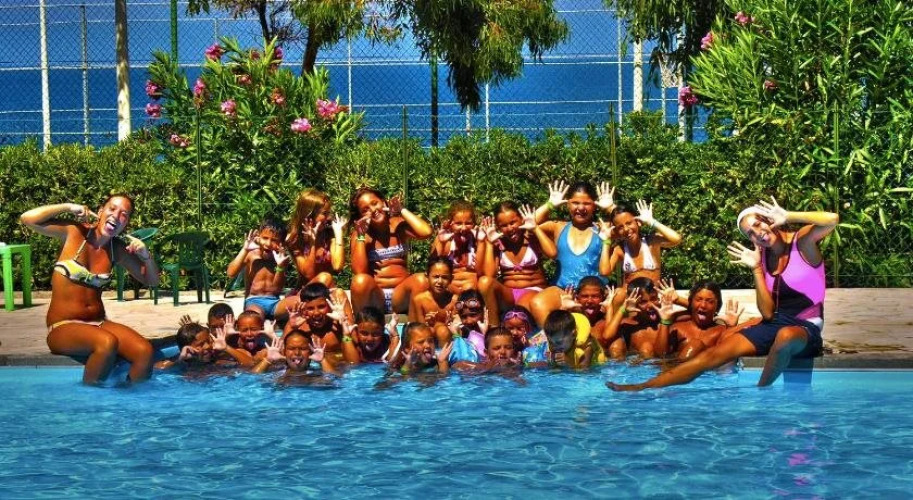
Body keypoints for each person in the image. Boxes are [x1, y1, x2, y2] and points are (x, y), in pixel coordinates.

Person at [608, 197, 836, 391]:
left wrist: (789, 215)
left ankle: (762, 393)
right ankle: (642, 387)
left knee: (785, 336)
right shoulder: (763, 257)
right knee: (712, 354)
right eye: (751, 233)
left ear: (769, 219)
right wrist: (756, 269)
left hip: (807, 326)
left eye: (758, 224)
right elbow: (768, 314)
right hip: (776, 322)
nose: (758, 233)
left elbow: (832, 219)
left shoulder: (801, 242)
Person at [21, 195, 159, 384]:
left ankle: (130, 399)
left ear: (125, 223)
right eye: (112, 209)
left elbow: (152, 280)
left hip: (98, 323)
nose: (116, 216)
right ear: (100, 211)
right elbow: (28, 219)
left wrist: (146, 255)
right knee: (107, 343)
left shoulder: (116, 249)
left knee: (144, 351)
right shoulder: (74, 232)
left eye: (123, 214)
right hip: (62, 326)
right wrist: (68, 206)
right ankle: (91, 400)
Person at [529, 181, 615, 326]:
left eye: (587, 203)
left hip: (595, 293)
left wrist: (611, 208)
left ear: (595, 205)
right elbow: (528, 222)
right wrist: (550, 204)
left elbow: (629, 224)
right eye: (575, 203)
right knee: (537, 303)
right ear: (567, 204)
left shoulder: (604, 228)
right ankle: (552, 338)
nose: (580, 208)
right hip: (563, 291)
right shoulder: (558, 227)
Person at [349, 187, 433, 314]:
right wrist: (361, 236)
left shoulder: (398, 224)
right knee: (359, 281)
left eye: (374, 203)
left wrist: (402, 210)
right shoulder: (360, 234)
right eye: (365, 210)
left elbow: (426, 232)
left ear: (383, 202)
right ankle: (364, 322)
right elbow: (359, 272)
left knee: (421, 279)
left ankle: (415, 323)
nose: (373, 210)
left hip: (401, 296)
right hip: (378, 297)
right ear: (360, 216)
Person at [477, 202, 556, 325]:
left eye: (513, 222)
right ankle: (494, 328)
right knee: (484, 282)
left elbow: (553, 253)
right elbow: (489, 275)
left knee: (521, 306)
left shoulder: (531, 237)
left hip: (533, 290)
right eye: (504, 225)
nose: (509, 228)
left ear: (521, 220)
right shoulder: (499, 244)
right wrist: (489, 244)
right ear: (498, 227)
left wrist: (535, 228)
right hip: (510, 294)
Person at [598, 201, 682, 290]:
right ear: (616, 231)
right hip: (631, 296)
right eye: (620, 227)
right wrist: (606, 240)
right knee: (618, 292)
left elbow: (676, 239)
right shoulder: (620, 249)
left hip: (652, 296)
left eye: (629, 223)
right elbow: (604, 272)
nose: (626, 229)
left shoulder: (651, 242)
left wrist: (652, 222)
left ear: (638, 222)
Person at [653, 281, 746, 361]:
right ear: (691, 302)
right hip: (676, 371)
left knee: (695, 345)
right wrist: (665, 321)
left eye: (710, 301)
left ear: (717, 306)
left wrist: (731, 327)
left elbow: (730, 360)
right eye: (698, 299)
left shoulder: (722, 331)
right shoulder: (678, 329)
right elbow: (660, 357)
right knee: (695, 345)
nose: (703, 305)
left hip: (709, 373)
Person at [227, 218, 292, 321]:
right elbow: (231, 273)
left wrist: (280, 266)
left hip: (275, 302)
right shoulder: (251, 254)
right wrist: (244, 250)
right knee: (255, 318)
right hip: (254, 301)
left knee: (299, 302)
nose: (268, 243)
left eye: (274, 240)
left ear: (281, 243)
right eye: (265, 238)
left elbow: (276, 289)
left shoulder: (281, 259)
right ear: (258, 236)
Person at [430, 200, 486, 293]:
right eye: (458, 223)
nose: (463, 228)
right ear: (451, 224)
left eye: (468, 223)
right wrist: (441, 243)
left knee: (470, 287)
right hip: (449, 289)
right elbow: (433, 270)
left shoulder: (478, 241)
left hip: (472, 289)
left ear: (474, 224)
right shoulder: (445, 241)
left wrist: (481, 243)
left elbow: (480, 273)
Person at [600, 277, 661, 359]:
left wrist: (676, 300)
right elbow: (607, 336)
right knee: (616, 346)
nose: (651, 305)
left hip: (658, 362)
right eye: (643, 302)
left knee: (646, 348)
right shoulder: (629, 324)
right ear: (635, 303)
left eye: (654, 299)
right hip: (630, 363)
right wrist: (622, 309)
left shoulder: (664, 321)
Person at [282, 283, 345, 353]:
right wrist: (292, 327)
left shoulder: (337, 325)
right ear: (303, 309)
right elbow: (281, 352)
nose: (316, 313)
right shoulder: (298, 325)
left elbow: (354, 348)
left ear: (329, 306)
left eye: (321, 307)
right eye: (310, 308)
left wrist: (344, 323)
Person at [408, 256, 458, 345]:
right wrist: (427, 324)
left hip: (449, 340)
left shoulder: (454, 300)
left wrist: (451, 324)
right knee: (442, 331)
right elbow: (417, 330)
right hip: (425, 342)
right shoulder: (420, 300)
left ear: (451, 279)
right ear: (427, 276)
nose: (440, 281)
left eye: (444, 277)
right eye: (436, 277)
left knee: (443, 331)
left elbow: (458, 328)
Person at [253, 330, 339, 376]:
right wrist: (268, 360)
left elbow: (335, 380)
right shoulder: (277, 372)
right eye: (291, 348)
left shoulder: (316, 373)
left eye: (303, 348)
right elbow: (252, 377)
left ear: (310, 351)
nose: (297, 353)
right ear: (284, 352)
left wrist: (323, 361)